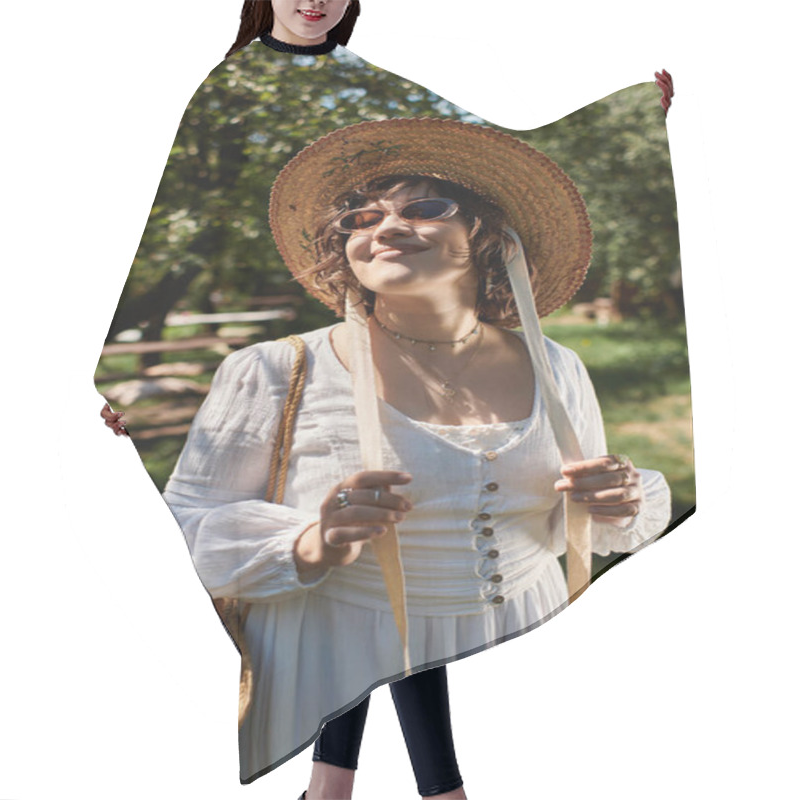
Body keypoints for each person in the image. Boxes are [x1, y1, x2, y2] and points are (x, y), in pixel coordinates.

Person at [158, 116, 672, 797]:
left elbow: (571, 522)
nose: (386, 227)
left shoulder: (556, 365)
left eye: (425, 207)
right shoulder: (275, 371)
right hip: (329, 646)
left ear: (486, 236)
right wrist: (311, 542)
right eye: (361, 218)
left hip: (519, 637)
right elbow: (184, 523)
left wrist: (614, 500)